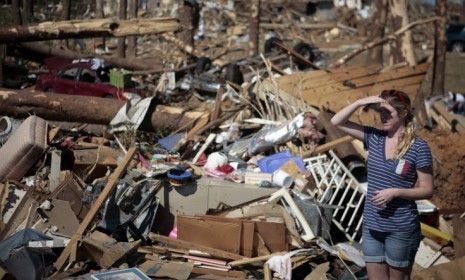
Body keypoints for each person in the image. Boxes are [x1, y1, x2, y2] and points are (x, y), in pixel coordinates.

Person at [330, 90, 433, 280]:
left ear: (403, 114)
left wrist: (396, 192)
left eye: (388, 113)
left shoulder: (419, 147)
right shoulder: (374, 137)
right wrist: (360, 102)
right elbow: (336, 122)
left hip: (400, 229)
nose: (383, 117)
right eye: (381, 112)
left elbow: (427, 190)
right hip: (372, 226)